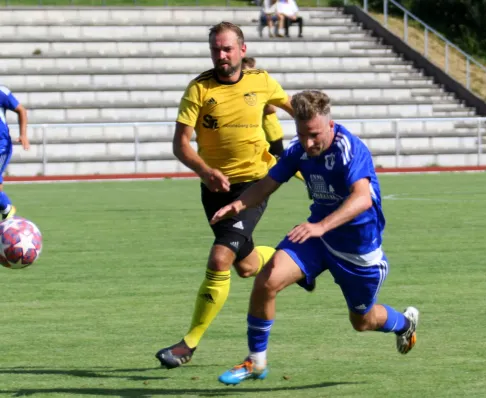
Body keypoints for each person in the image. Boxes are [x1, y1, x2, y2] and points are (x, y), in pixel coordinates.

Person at [210, 90, 420, 385]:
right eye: (301, 134)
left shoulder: (349, 148)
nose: (308, 143)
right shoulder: (299, 150)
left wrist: (322, 226)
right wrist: (239, 203)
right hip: (317, 239)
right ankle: (256, 361)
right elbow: (269, 183)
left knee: (362, 321)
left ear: (330, 125)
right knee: (266, 280)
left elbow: (362, 199)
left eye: (314, 135)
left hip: (356, 252)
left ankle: (404, 323)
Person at [155, 21, 303, 370]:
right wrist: (205, 171)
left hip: (254, 185)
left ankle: (188, 344)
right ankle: (295, 262)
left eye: (227, 49)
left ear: (242, 50)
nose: (221, 55)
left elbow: (299, 109)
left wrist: (324, 137)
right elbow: (180, 145)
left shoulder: (262, 81)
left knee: (220, 258)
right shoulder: (199, 89)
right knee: (246, 266)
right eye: (215, 50)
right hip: (214, 187)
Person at [0, 85, 30, 220]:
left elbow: (21, 110)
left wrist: (23, 135)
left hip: (1, 146)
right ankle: (6, 212)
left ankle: (7, 208)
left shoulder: (2, 92)